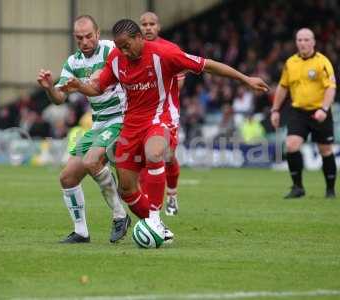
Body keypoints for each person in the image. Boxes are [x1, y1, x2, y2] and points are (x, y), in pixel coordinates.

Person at [61, 19, 269, 242]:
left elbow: (207, 65)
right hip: (131, 125)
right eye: (119, 47)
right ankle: (158, 229)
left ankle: (154, 219)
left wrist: (244, 79)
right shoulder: (116, 58)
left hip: (161, 119)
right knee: (127, 190)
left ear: (139, 38)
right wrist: (79, 86)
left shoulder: (165, 53)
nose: (124, 51)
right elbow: (97, 87)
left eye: (127, 46)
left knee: (154, 152)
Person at [37, 15, 130, 244]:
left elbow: (100, 84)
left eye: (89, 36)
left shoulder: (111, 50)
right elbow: (59, 98)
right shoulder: (73, 62)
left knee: (91, 162)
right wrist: (50, 87)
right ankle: (81, 232)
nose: (85, 41)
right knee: (67, 178)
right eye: (80, 38)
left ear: (98, 33)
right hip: (99, 123)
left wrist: (84, 84)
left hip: (121, 119)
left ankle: (120, 215)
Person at [271, 28, 337, 199]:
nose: (303, 43)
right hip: (298, 112)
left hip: (319, 112)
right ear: (296, 42)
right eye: (300, 40)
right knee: (292, 145)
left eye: (306, 40)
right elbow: (282, 87)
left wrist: (324, 108)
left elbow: (331, 87)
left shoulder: (322, 62)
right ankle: (298, 187)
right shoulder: (290, 63)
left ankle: (330, 190)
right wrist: (275, 110)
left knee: (325, 150)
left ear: (313, 42)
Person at [139, 11, 183, 216]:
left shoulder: (171, 49)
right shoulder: (134, 49)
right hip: (140, 113)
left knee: (167, 156)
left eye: (152, 24)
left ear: (159, 27)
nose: (148, 27)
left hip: (166, 113)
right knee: (142, 159)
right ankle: (151, 209)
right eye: (144, 24)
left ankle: (171, 194)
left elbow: (179, 81)